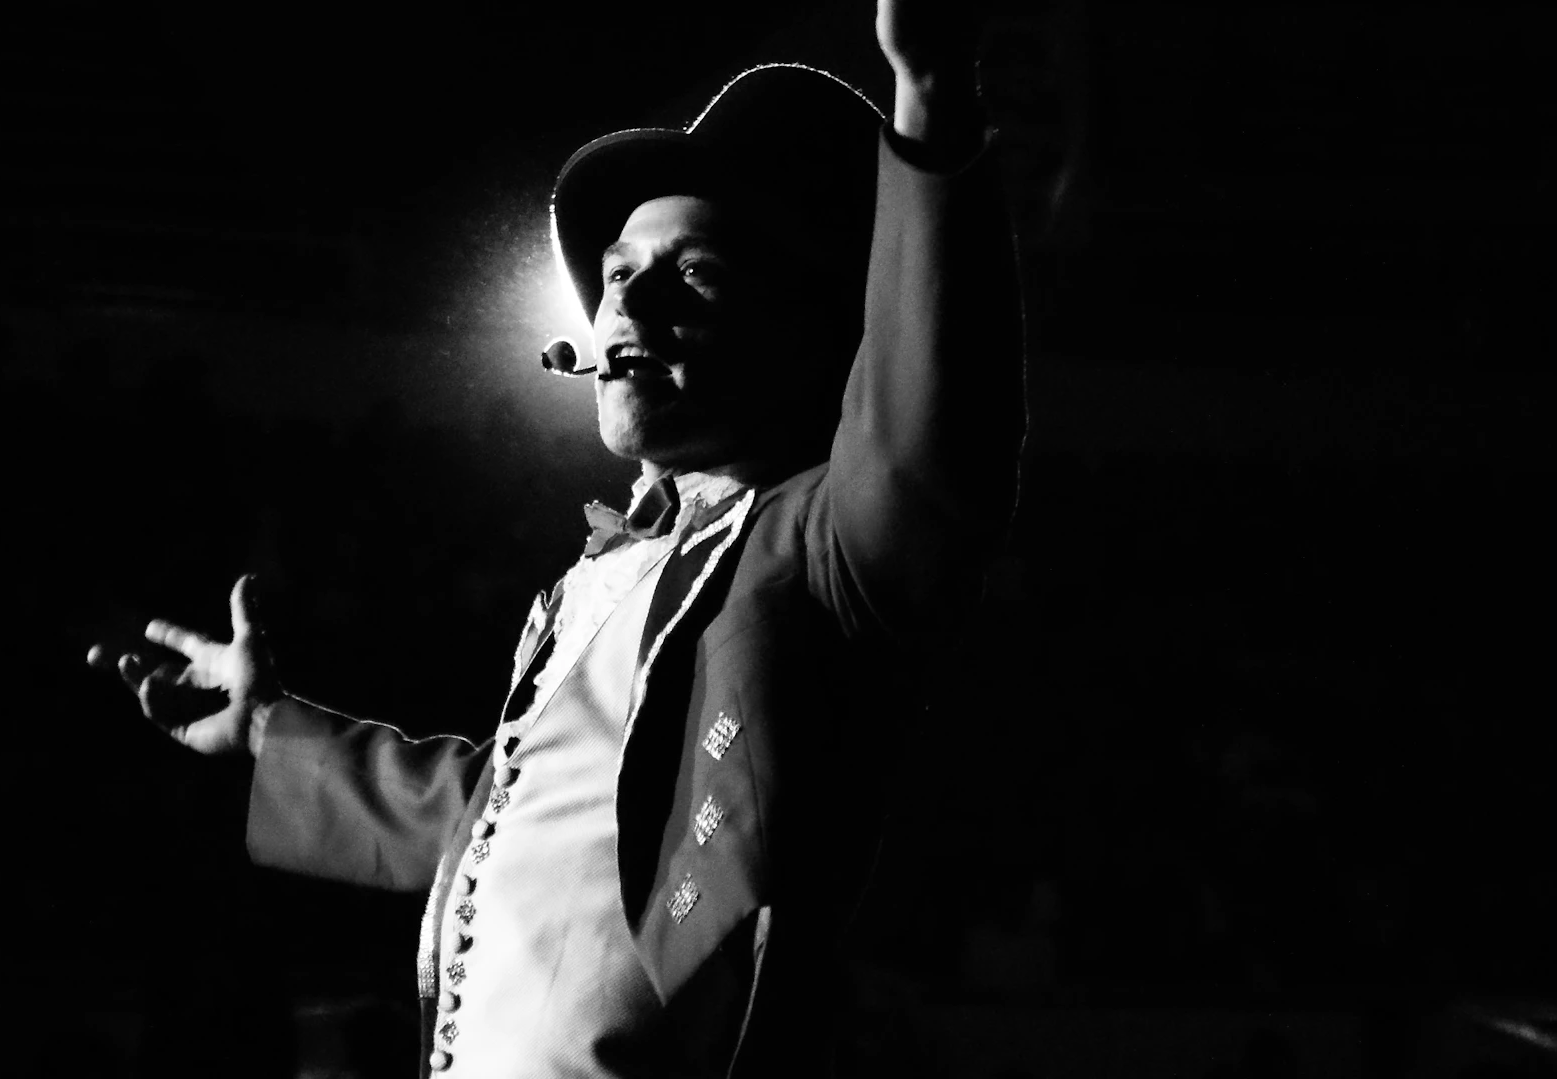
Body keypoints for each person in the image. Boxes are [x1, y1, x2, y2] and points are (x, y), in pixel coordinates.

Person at [89, 2, 1026, 1074]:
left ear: (807, 340)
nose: (631, 301)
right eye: (619, 272)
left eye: (697, 273)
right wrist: (269, 727)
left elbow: (929, 434)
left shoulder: (818, 548)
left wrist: (932, 104)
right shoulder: (599, 578)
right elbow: (503, 815)